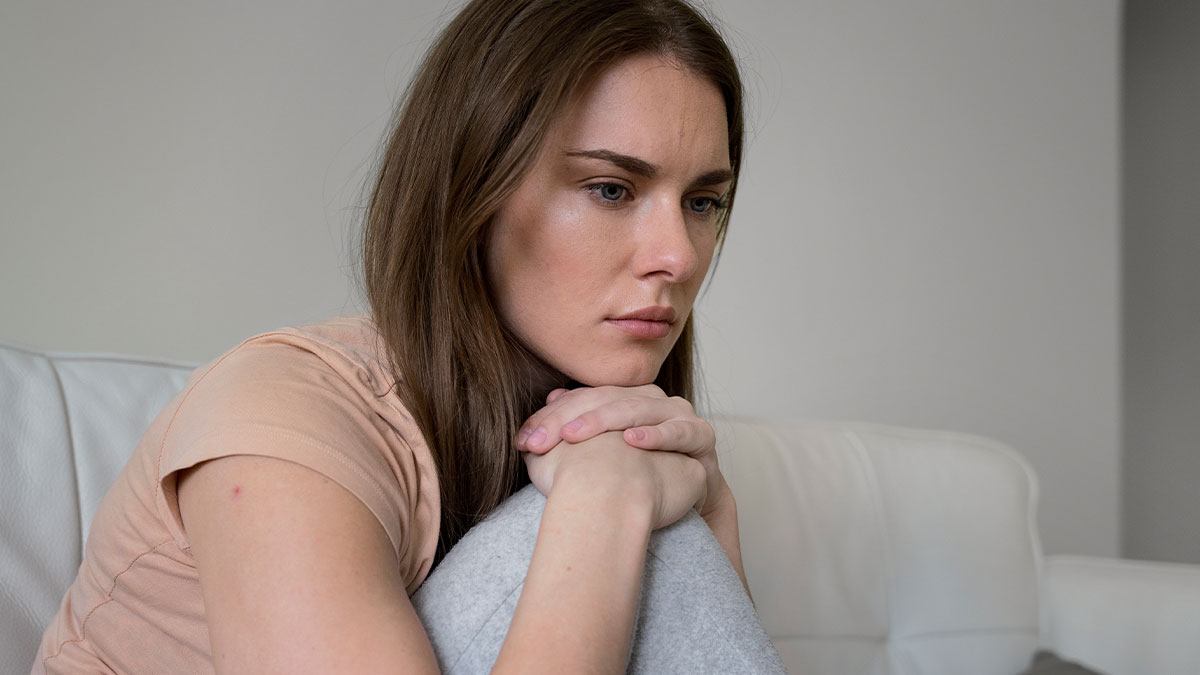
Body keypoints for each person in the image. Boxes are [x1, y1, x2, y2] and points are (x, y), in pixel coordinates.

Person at [35, 0, 784, 672]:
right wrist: (603, 505)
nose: (680, 256)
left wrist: (712, 508)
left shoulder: (592, 423)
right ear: (472, 189)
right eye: (611, 189)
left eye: (702, 201)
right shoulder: (282, 417)